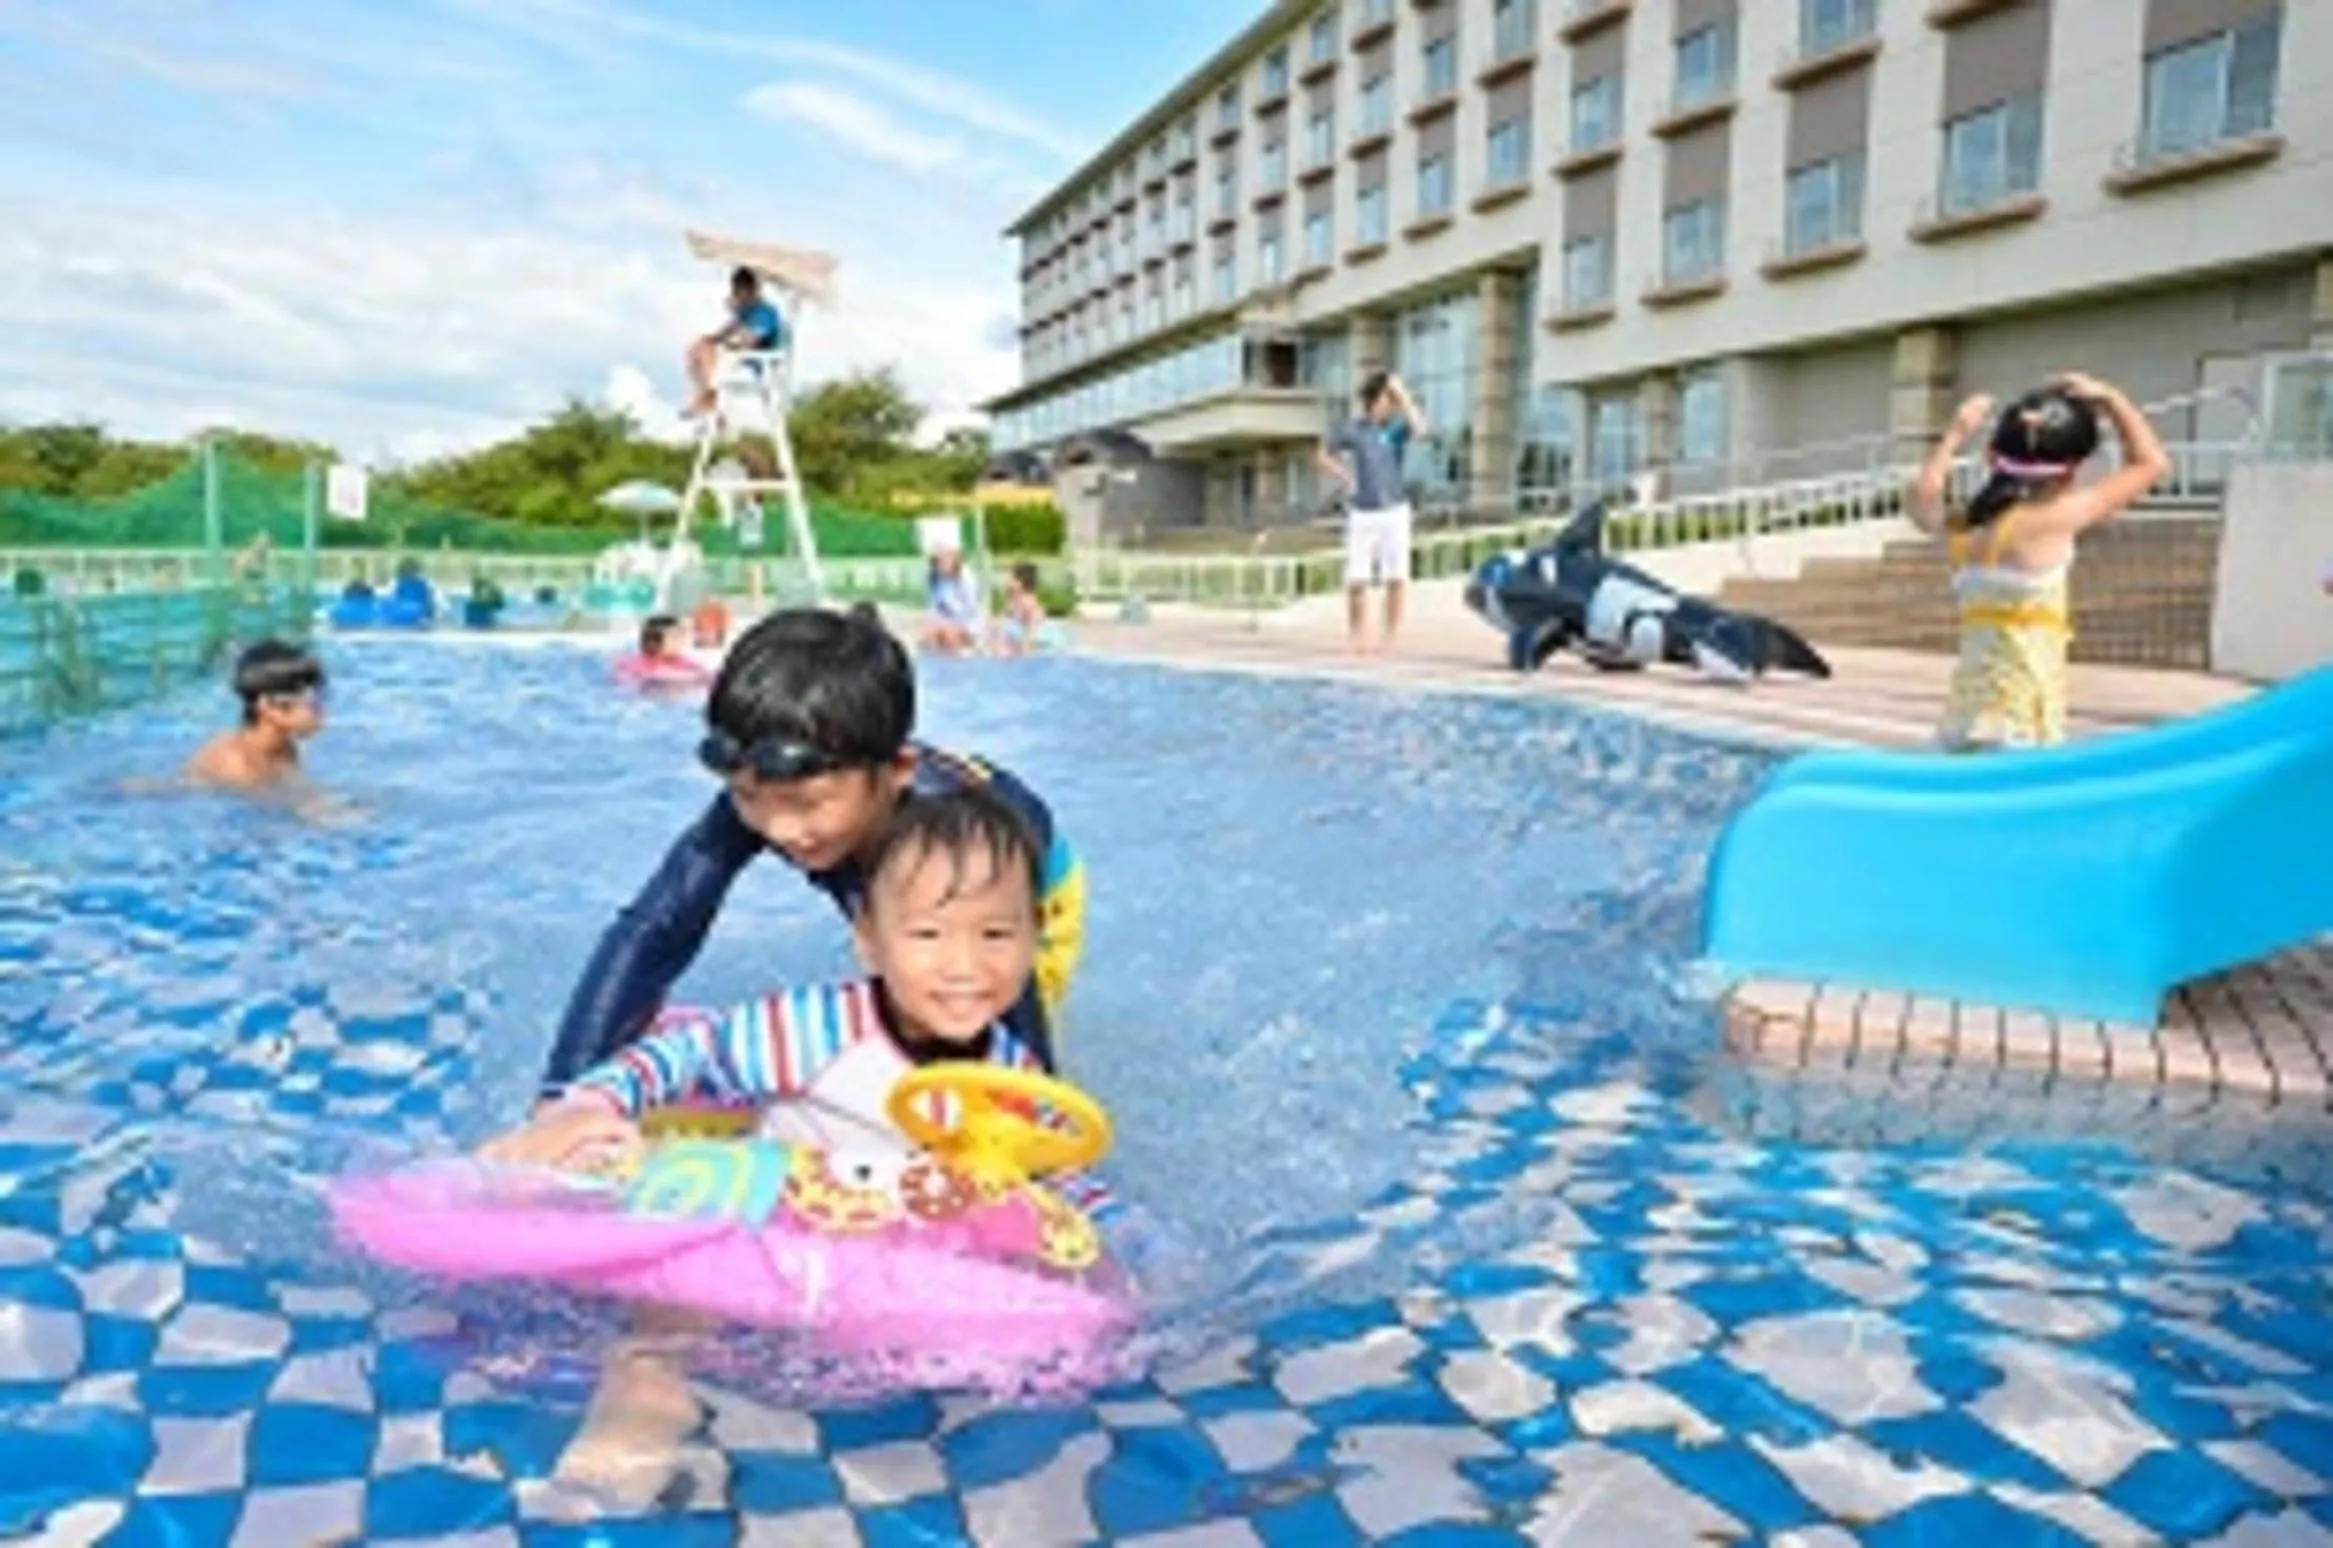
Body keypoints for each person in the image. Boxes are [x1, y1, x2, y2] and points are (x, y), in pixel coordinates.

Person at [491, 788, 1109, 1501]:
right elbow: (683, 1055)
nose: (964, 965)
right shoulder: (813, 1029)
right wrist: (590, 1104)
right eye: (929, 936)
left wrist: (1106, 1242)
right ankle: (647, 1399)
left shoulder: (1017, 1078)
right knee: (671, 1307)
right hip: (757, 1226)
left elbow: (1057, 1182)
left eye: (996, 936)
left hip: (880, 1258)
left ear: (1033, 942)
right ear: (869, 941)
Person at [540, 604, 1086, 1103]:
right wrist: (565, 1093)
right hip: (883, 864)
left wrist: (1030, 1137)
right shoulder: (775, 789)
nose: (779, 828)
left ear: (895, 772)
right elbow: (657, 927)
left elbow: (1002, 997)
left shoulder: (953, 845)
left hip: (1024, 889)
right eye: (747, 795)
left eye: (807, 803)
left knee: (957, 991)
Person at [1908, 371, 2170, 751]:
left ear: (1991, 457)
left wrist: (1955, 434)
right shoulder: (2055, 519)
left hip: (1961, 724)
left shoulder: (1965, 526)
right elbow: (2151, 464)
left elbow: (1923, 500)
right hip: (2024, 727)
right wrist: (2112, 398)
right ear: (2068, 473)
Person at [1316, 371, 1429, 653]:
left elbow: (1422, 430)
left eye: (1391, 400)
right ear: (1371, 401)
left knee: (1396, 576)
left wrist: (1404, 396)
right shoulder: (1354, 429)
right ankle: (1357, 636)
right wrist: (1346, 477)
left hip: (1395, 510)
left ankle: (1390, 636)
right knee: (1357, 578)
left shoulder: (1397, 428)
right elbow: (1321, 454)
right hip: (1363, 513)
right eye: (1385, 399)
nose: (1388, 405)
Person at [185, 639, 327, 790]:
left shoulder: (284, 747)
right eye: (313, 701)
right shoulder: (236, 764)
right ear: (269, 707)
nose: (321, 711)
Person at [685, 266, 786, 419]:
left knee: (713, 354)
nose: (736, 295)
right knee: (699, 347)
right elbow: (722, 334)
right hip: (737, 361)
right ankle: (708, 397)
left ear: (751, 290)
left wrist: (738, 322)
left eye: (739, 291)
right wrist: (713, 338)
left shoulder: (766, 312)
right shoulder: (744, 312)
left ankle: (711, 400)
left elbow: (752, 341)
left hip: (756, 366)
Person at [923, 540, 985, 655]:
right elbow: (933, 607)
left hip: (968, 625)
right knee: (927, 635)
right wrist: (935, 624)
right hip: (945, 624)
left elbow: (970, 611)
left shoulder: (967, 579)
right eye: (937, 561)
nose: (940, 564)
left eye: (944, 559)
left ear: (955, 559)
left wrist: (952, 627)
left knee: (949, 635)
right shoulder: (933, 577)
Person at [994, 561, 1046, 656]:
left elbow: (1033, 628)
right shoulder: (1013, 600)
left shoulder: (1028, 602)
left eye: (1010, 578)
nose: (1006, 581)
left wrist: (1024, 649)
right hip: (1018, 637)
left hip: (1032, 639)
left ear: (1020, 583)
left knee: (1004, 649)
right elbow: (1001, 620)